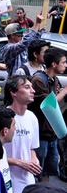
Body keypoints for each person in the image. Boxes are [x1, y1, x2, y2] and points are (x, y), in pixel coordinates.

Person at [29, 48, 67, 182]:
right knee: (37, 171)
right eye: (63, 62)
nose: (66, 65)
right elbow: (49, 105)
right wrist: (65, 91)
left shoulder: (54, 79)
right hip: (40, 134)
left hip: (52, 133)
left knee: (50, 171)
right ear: (54, 64)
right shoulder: (39, 80)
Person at [3, 75, 42, 193]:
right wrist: (19, 163)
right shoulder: (3, 117)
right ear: (13, 92)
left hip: (28, 183)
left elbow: (32, 148)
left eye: (32, 87)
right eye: (27, 87)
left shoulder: (32, 117)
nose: (33, 91)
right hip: (7, 182)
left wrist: (34, 160)